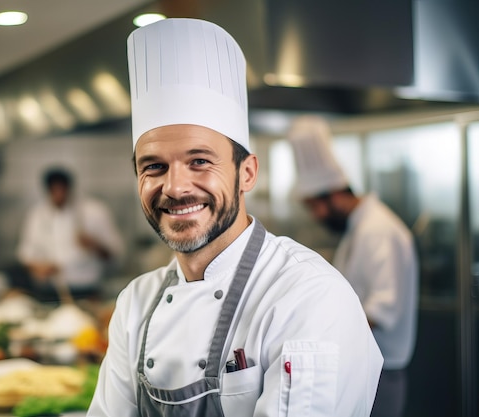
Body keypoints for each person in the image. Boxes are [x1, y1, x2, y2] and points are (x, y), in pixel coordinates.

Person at [87, 18, 382, 417]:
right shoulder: (135, 304)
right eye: (153, 166)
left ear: (247, 173)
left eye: (200, 161)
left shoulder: (308, 297)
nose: (175, 187)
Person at [288, 115, 419, 417]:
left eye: (314, 207)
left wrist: (319, 330)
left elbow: (381, 309)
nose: (315, 216)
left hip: (380, 374)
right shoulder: (359, 229)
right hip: (361, 370)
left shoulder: (378, 231)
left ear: (333, 194)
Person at [16, 167, 125, 301]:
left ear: (69, 188)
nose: (59, 195)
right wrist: (39, 268)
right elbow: (26, 255)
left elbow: (116, 254)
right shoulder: (37, 215)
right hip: (50, 291)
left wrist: (94, 245)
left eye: (62, 190)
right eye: (54, 191)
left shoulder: (94, 211)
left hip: (88, 290)